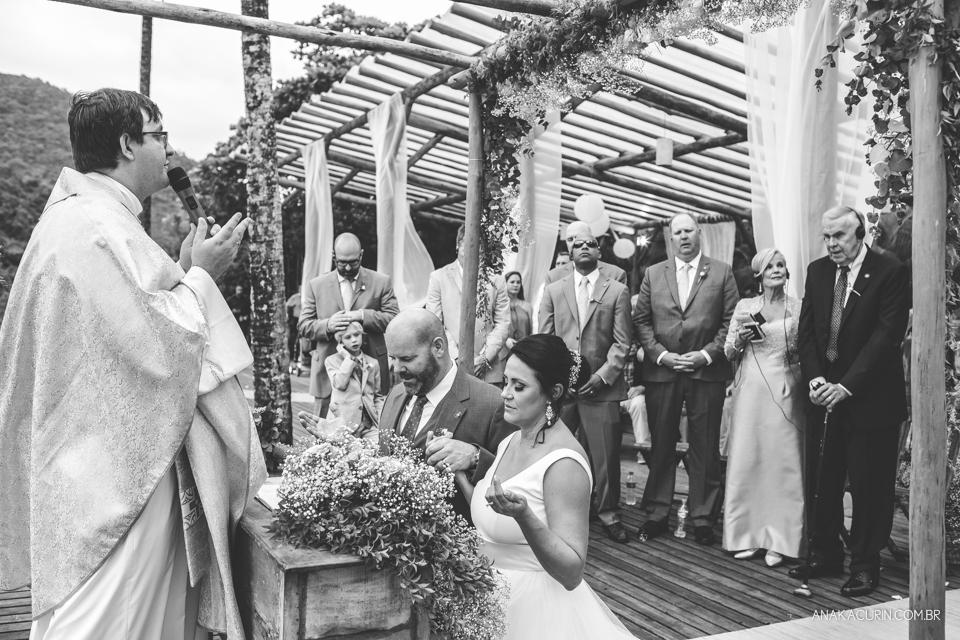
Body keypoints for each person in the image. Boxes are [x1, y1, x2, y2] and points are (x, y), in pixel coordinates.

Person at [0, 88, 264, 640]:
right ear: (126, 143)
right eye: (158, 135)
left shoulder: (84, 221)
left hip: (97, 457)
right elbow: (154, 343)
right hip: (115, 473)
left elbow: (126, 323)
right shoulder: (97, 227)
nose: (168, 150)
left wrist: (184, 268)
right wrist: (205, 274)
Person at [455, 335, 636, 639]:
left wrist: (525, 516)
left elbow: (571, 572)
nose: (504, 395)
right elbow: (491, 513)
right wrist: (458, 474)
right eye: (505, 382)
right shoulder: (511, 440)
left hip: (536, 610)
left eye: (519, 386)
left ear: (553, 393)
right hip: (487, 597)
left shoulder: (565, 463)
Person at [792, 206, 910, 597]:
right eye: (826, 236)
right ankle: (824, 553)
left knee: (869, 485)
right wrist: (816, 379)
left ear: (860, 233)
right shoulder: (818, 270)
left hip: (869, 399)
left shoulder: (890, 271)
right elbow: (806, 331)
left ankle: (864, 564)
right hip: (822, 396)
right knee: (823, 482)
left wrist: (846, 386)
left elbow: (886, 338)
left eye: (839, 236)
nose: (831, 244)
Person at [633, 213, 739, 545]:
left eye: (688, 230)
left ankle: (703, 516)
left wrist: (706, 354)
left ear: (699, 234)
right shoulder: (653, 273)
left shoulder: (722, 272)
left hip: (705, 372)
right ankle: (657, 512)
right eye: (677, 232)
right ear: (670, 238)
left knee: (705, 448)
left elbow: (730, 320)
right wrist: (661, 355)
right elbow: (641, 321)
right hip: (662, 372)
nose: (683, 237)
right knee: (661, 443)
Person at [374, 308, 514, 522]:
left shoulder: (492, 404)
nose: (396, 369)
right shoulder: (395, 393)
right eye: (393, 358)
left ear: (438, 347)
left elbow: (512, 480)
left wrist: (476, 458)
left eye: (407, 358)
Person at [539, 228, 633, 542]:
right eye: (576, 244)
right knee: (555, 452)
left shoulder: (616, 290)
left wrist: (603, 376)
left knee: (605, 457)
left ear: (599, 252)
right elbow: (547, 339)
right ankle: (558, 509)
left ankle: (609, 514)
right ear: (569, 251)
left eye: (590, 244)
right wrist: (558, 380)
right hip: (562, 391)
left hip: (602, 388)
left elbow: (622, 344)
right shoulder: (554, 288)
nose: (583, 248)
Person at [721, 249, 805, 567]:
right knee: (749, 459)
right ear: (758, 273)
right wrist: (741, 338)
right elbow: (729, 352)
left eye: (781, 265)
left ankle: (781, 540)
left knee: (781, 462)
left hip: (786, 390)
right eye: (770, 266)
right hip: (750, 390)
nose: (777, 270)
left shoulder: (797, 306)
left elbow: (805, 348)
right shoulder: (746, 307)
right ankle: (748, 535)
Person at [299, 233, 399, 416]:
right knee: (324, 435)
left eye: (353, 262)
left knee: (373, 432)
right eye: (341, 262)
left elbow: (394, 318)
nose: (347, 267)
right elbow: (303, 325)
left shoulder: (381, 282)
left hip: (370, 373)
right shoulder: (316, 285)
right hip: (329, 372)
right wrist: (328, 325)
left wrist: (362, 315)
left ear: (361, 255)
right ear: (333, 256)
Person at [426, 224, 510, 385]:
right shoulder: (438, 278)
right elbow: (435, 323)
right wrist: (458, 358)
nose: (474, 249)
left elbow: (503, 324)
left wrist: (484, 359)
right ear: (457, 245)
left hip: (488, 371)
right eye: (468, 244)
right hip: (449, 368)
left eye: (480, 246)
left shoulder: (497, 280)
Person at [533, 222, 626, 332]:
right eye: (570, 239)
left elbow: (621, 325)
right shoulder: (553, 276)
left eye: (579, 238)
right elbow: (546, 322)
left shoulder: (615, 274)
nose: (574, 243)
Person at [324, 320, 384, 436]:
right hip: (343, 425)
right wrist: (348, 358)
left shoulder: (373, 363)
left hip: (369, 425)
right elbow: (340, 384)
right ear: (340, 341)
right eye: (348, 337)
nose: (354, 340)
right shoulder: (331, 361)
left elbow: (377, 396)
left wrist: (380, 419)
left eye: (357, 335)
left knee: (379, 448)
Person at [503, 270, 533, 351]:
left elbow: (531, 330)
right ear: (505, 284)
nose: (516, 285)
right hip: (503, 348)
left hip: (524, 349)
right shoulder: (500, 306)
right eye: (512, 282)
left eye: (518, 282)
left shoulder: (527, 306)